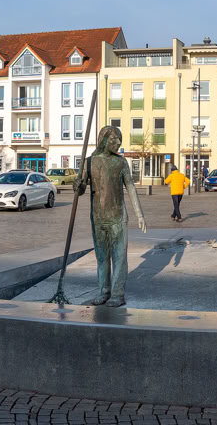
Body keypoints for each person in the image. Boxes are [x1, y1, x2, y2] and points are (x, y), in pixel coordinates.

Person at [76, 126, 148, 307]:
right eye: (115, 139)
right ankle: (104, 291)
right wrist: (77, 185)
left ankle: (117, 294)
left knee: (119, 258)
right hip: (98, 217)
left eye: (119, 139)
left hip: (118, 217)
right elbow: (81, 189)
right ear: (104, 139)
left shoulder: (121, 163)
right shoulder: (89, 162)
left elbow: (130, 187)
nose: (118, 143)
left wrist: (139, 214)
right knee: (102, 258)